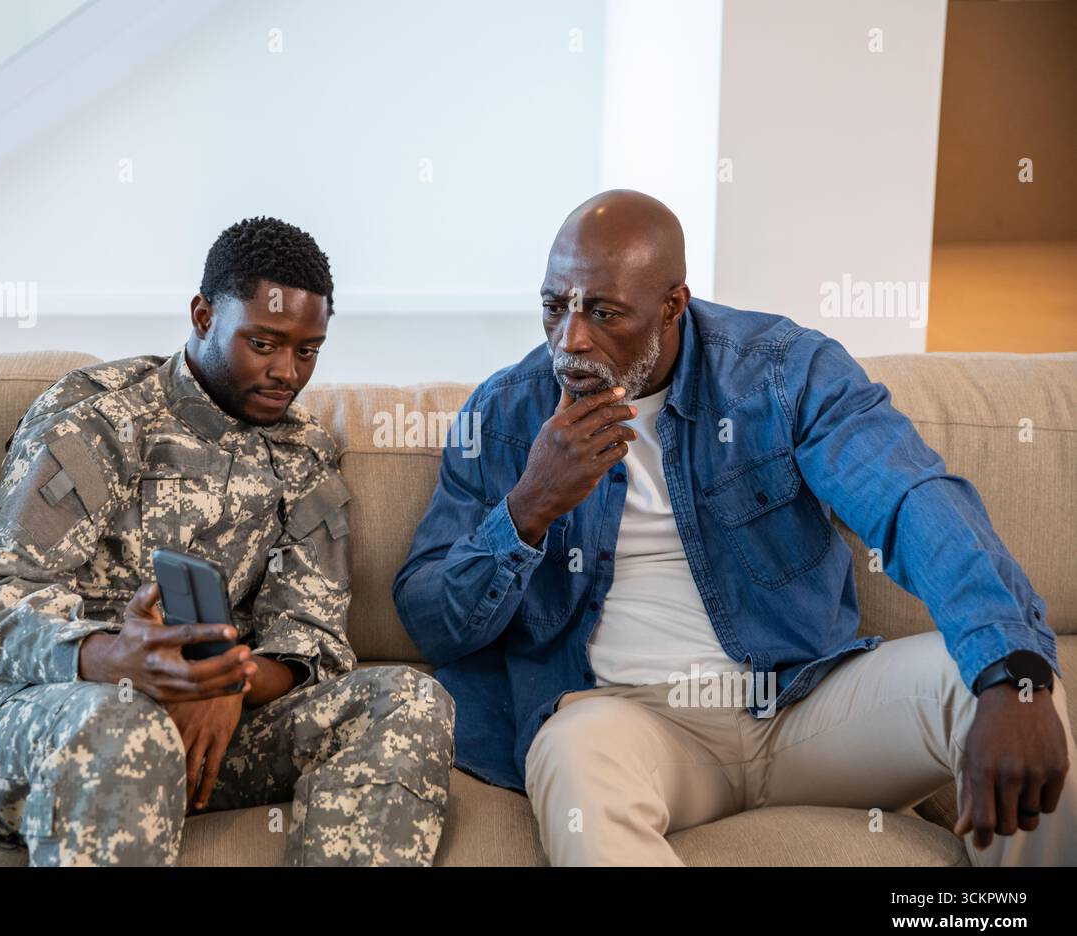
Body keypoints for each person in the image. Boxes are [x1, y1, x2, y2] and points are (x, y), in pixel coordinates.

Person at [393, 189, 1073, 866]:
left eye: (604, 313)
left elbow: (908, 498)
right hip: (636, 729)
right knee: (574, 755)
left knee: (1008, 683)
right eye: (554, 306)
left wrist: (1010, 667)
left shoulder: (781, 375)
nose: (571, 339)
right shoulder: (506, 415)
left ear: (672, 305)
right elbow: (432, 622)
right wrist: (528, 508)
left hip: (804, 706)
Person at [0, 216, 455, 866]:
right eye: (264, 342)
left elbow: (314, 640)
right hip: (40, 715)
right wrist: (113, 657)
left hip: (204, 726)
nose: (286, 371)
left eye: (308, 350)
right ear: (202, 315)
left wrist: (226, 681)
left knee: (409, 698)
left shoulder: (306, 455)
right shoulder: (99, 424)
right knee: (123, 726)